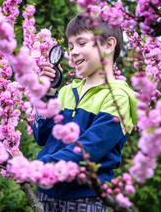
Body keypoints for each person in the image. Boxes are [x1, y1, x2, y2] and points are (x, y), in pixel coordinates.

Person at [33, 13, 138, 211]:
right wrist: (47, 95)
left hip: (86, 198)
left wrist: (38, 165)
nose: (73, 52)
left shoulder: (118, 97)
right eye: (71, 46)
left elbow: (89, 149)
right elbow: (41, 136)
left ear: (108, 45)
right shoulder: (65, 93)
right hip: (46, 194)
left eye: (81, 43)